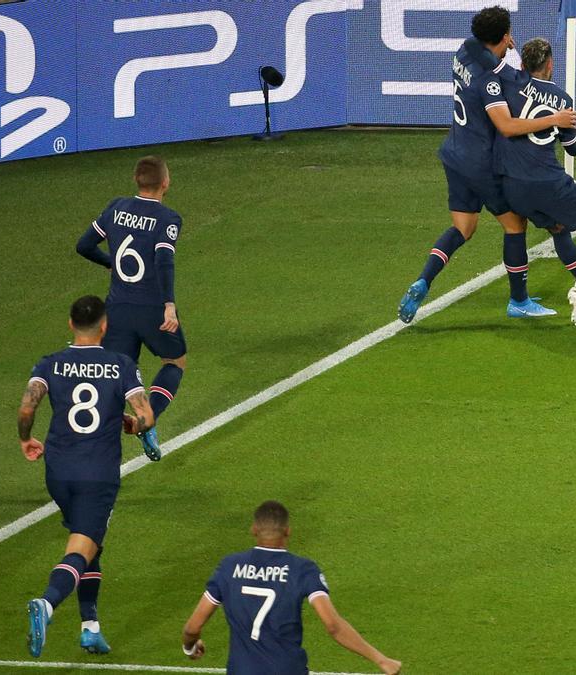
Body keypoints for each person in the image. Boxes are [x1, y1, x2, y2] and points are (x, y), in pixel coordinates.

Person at [398, 5, 576, 323]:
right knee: (515, 225)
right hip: (481, 164)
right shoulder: (491, 80)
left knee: (463, 228)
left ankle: (424, 280)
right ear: (503, 36)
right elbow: (507, 126)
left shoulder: (465, 50)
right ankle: (519, 301)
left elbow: (492, 59)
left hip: (454, 154)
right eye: (508, 34)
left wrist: (503, 50)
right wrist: (556, 117)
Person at [21, 295, 156, 657]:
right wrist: (133, 425)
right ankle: (47, 604)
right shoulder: (120, 365)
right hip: (97, 474)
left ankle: (90, 627)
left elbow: (27, 407)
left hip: (58, 473)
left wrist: (25, 439)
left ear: (70, 325)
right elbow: (146, 415)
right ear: (105, 326)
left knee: (90, 540)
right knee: (82, 546)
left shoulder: (50, 363)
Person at [181, 500, 402, 675]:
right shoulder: (302, 570)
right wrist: (380, 659)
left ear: (254, 529)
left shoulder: (229, 566)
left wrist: (190, 647)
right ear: (287, 531)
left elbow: (193, 628)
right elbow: (333, 626)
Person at [493, 37, 576, 325]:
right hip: (546, 181)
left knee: (559, 228)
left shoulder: (508, 85)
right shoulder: (563, 100)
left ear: (524, 64)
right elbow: (572, 147)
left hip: (512, 187)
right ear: (551, 64)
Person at [76, 155, 186, 460]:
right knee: (174, 363)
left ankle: (91, 445)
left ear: (136, 181)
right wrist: (169, 305)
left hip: (117, 310)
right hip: (150, 308)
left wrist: (111, 263)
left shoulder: (116, 207)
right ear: (165, 183)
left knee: (118, 376)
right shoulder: (168, 219)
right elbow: (163, 260)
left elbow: (84, 246)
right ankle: (147, 419)